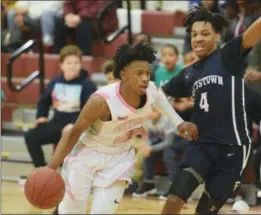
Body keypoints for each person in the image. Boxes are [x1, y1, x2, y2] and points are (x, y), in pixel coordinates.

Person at [45, 43, 197, 214]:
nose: (145, 78)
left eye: (147, 73)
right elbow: (74, 132)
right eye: (139, 73)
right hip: (87, 154)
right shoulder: (101, 101)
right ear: (124, 75)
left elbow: (161, 101)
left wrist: (179, 123)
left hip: (118, 158)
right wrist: (51, 167)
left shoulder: (151, 90)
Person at [160, 2, 261, 215]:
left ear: (217, 36)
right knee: (174, 198)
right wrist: (178, 123)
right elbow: (157, 96)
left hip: (232, 150)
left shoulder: (229, 55)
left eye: (204, 33)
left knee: (205, 212)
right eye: (194, 34)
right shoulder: (187, 75)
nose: (198, 38)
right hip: (201, 146)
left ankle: (236, 211)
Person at [24, 45, 96, 168]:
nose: (73, 66)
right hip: (57, 124)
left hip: (76, 127)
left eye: (76, 63)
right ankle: (42, 171)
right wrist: (41, 116)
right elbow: (44, 101)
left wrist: (74, 125)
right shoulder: (56, 81)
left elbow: (88, 111)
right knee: (31, 136)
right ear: (61, 65)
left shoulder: (87, 84)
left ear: (80, 64)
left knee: (68, 144)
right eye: (69, 63)